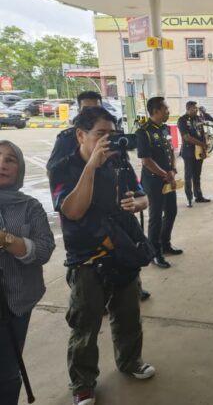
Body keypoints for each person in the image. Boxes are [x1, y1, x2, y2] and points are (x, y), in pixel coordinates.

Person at [48, 107, 156, 405]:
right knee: (86, 324)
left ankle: (130, 361)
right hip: (87, 257)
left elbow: (142, 195)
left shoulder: (119, 161)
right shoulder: (62, 167)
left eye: (111, 133)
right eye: (100, 134)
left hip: (122, 251)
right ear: (80, 135)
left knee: (128, 315)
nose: (107, 140)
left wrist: (138, 203)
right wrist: (91, 168)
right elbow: (73, 210)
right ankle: (83, 383)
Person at [0, 141, 56, 405]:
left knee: (8, 374)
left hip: (16, 304)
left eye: (10, 159)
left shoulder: (30, 207)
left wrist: (6, 240)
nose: (2, 163)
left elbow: (44, 250)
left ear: (19, 168)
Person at [135, 97, 183, 268]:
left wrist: (173, 169)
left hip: (168, 178)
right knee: (155, 217)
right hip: (153, 181)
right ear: (155, 111)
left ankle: (165, 244)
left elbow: (171, 150)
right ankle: (154, 252)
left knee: (171, 211)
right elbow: (146, 160)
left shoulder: (165, 128)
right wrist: (165, 174)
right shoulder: (143, 132)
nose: (168, 112)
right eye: (166, 109)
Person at [46, 90, 102, 171]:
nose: (92, 113)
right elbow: (52, 169)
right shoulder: (67, 138)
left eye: (96, 109)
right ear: (79, 111)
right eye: (87, 109)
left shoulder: (111, 135)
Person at [177, 101, 210, 207]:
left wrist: (204, 150)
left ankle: (198, 196)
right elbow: (186, 137)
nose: (196, 110)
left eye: (197, 108)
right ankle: (189, 198)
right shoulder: (182, 120)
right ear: (188, 108)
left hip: (199, 152)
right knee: (188, 176)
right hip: (189, 152)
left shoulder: (198, 119)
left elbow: (203, 134)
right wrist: (202, 144)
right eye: (194, 108)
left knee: (197, 175)